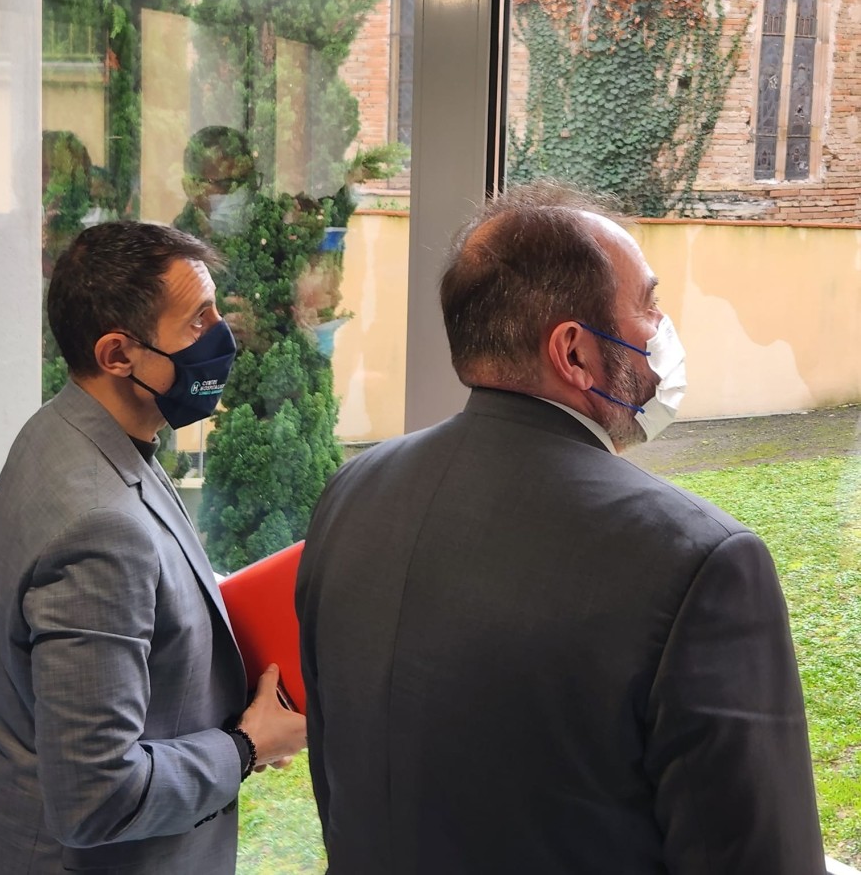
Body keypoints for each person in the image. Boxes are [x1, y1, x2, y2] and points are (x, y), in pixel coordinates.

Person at [296, 184, 825, 874]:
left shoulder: (355, 488)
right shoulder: (700, 561)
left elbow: (338, 774)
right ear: (573, 353)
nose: (661, 328)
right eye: (648, 305)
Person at [0, 221, 306, 875]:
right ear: (117, 355)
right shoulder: (100, 526)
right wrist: (248, 745)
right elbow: (97, 797)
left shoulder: (63, 430)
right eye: (197, 322)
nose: (223, 336)